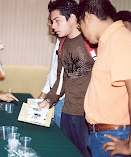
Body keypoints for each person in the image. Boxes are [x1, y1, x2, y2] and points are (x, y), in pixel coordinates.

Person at [38, 0, 95, 156]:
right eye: (52, 21)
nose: (53, 26)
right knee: (67, 152)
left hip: (88, 115)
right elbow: (61, 78)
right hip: (67, 111)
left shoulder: (90, 41)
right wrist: (48, 100)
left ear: (72, 18)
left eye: (57, 21)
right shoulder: (62, 44)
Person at [78, 0, 131, 156]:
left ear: (88, 17)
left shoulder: (120, 39)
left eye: (80, 26)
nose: (82, 33)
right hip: (103, 134)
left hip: (113, 136)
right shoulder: (109, 41)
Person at [38, 14, 64, 128]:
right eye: (50, 21)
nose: (50, 24)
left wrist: (50, 98)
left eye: (53, 21)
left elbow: (63, 77)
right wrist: (43, 95)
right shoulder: (59, 40)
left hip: (62, 99)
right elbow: (53, 73)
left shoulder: (68, 42)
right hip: (55, 97)